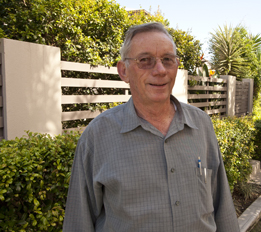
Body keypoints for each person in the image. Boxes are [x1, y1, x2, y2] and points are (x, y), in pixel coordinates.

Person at [63, 22, 240, 232]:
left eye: (167, 59)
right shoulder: (97, 136)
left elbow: (221, 206)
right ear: (124, 71)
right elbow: (79, 222)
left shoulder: (201, 125)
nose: (160, 70)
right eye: (145, 60)